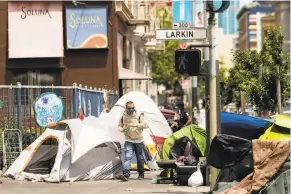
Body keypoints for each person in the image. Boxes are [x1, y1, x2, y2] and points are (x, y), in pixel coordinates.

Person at [118, 101, 148, 181]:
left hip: (139, 140)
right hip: (128, 140)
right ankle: (126, 173)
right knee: (127, 157)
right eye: (129, 108)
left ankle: (141, 173)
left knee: (140, 158)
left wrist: (135, 125)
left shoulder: (139, 115)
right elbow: (119, 126)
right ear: (126, 108)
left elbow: (145, 125)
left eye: (132, 108)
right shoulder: (123, 116)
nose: (131, 110)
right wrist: (122, 129)